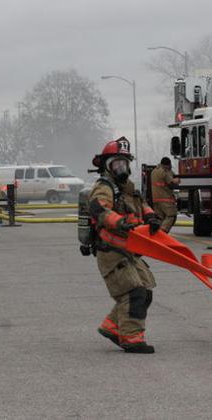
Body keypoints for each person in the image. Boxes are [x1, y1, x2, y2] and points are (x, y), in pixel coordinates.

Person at [89, 137, 162, 354]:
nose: (122, 168)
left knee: (145, 291)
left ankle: (112, 327)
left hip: (129, 251)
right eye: (116, 164)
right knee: (134, 293)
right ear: (107, 167)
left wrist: (151, 218)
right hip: (111, 252)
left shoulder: (127, 189)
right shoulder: (103, 188)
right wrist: (120, 222)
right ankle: (132, 338)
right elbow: (99, 210)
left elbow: (142, 205)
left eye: (124, 163)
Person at [150, 157, 180, 233]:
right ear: (167, 165)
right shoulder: (164, 172)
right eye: (170, 166)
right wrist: (176, 180)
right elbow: (171, 183)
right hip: (166, 199)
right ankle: (162, 233)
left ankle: (156, 234)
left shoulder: (154, 171)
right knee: (171, 216)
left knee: (160, 218)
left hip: (156, 199)